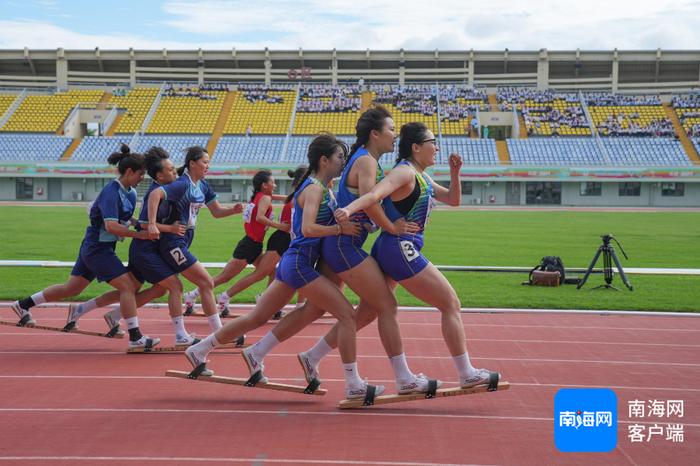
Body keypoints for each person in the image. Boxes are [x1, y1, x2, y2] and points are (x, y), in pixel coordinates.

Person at [239, 107, 439, 395]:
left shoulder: (367, 160)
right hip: (344, 247)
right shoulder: (367, 162)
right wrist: (391, 228)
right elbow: (370, 202)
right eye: (391, 129)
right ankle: (396, 379)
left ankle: (273, 352)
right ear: (375, 133)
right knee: (385, 306)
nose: (395, 135)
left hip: (343, 246)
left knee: (324, 310)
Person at [185, 134, 385, 399]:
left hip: (295, 262)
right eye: (339, 157)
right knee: (348, 316)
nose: (343, 162)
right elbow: (307, 228)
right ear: (324, 160)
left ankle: (206, 350)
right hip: (300, 263)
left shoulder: (323, 188)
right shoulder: (314, 188)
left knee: (260, 316)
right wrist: (340, 228)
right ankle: (353, 383)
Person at [335, 122, 500, 389]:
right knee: (450, 303)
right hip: (400, 247)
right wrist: (350, 209)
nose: (436, 147)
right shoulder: (403, 172)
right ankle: (466, 373)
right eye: (432, 142)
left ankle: (314, 354)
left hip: (394, 247)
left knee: (366, 314)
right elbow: (374, 194)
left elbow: (453, 199)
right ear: (416, 147)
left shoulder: (420, 174)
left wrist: (455, 172)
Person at [11, 144, 159, 348]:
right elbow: (111, 225)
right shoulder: (111, 191)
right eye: (141, 174)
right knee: (129, 286)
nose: (143, 177)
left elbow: (123, 217)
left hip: (99, 247)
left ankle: (23, 305)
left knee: (71, 288)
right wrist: (140, 234)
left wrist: (137, 223)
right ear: (129, 171)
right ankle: (135, 337)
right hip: (97, 248)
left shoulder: (131, 192)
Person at [66, 147, 197, 345]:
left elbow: (133, 220)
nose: (175, 172)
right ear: (160, 176)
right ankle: (176, 336)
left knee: (140, 289)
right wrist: (166, 228)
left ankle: (90, 311)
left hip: (149, 249)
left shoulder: (160, 190)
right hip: (144, 251)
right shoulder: (155, 193)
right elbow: (143, 224)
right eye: (171, 170)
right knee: (172, 286)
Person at [146, 146, 244, 333]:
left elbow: (216, 211)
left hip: (183, 242)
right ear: (192, 163)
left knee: (160, 289)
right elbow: (155, 194)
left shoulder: (204, 185)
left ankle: (117, 314)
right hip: (172, 243)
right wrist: (152, 223)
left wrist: (233, 210)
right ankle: (219, 333)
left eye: (208, 163)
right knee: (206, 282)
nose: (208, 166)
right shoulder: (183, 184)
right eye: (204, 162)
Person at [183, 170, 290, 316]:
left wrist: (295, 196)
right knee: (225, 277)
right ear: (264, 185)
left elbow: (282, 198)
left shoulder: (261, 196)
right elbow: (259, 218)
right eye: (272, 182)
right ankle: (196, 295)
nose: (275, 185)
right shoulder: (264, 198)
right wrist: (280, 226)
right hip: (249, 245)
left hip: (253, 244)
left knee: (272, 272)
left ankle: (266, 300)